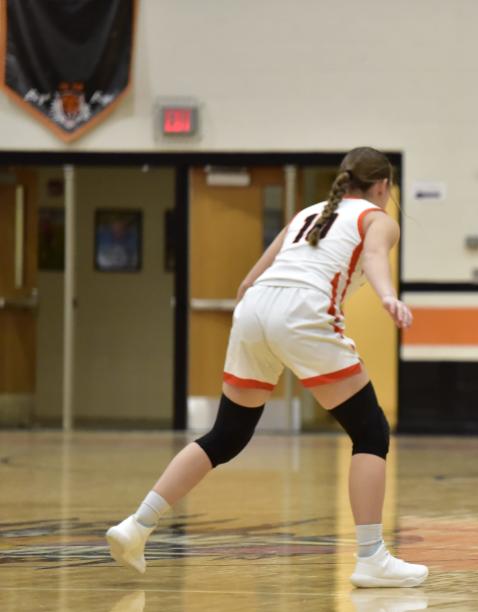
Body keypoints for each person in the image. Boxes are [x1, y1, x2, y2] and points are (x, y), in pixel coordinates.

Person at [105, 146, 428, 588]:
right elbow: (374, 257)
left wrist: (259, 330)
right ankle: (371, 557)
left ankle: (137, 525)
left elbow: (247, 281)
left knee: (226, 435)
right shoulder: (377, 218)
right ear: (383, 186)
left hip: (256, 307)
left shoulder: (306, 214)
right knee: (370, 431)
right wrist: (388, 295)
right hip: (302, 310)